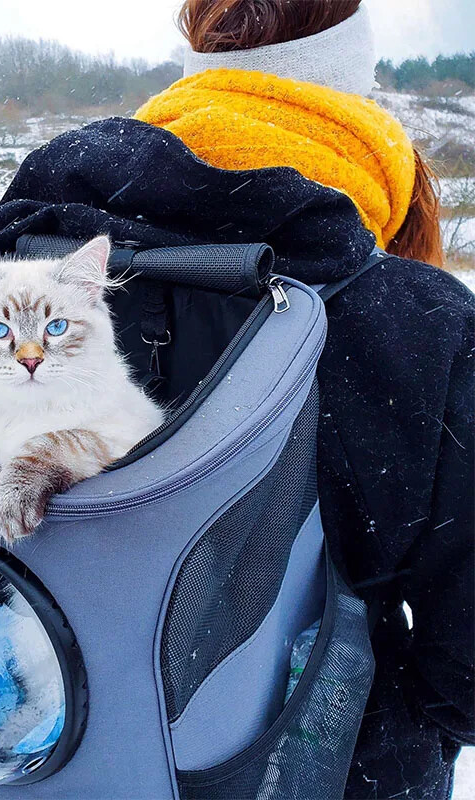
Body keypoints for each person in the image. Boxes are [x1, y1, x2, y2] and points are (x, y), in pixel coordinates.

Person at [133, 1, 473, 797]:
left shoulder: (71, 255)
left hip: (84, 748)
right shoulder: (419, 323)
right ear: (352, 83)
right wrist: (402, 734)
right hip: (328, 765)